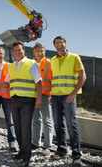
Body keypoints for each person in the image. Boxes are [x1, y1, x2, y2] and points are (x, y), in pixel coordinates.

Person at [3, 41, 42, 167]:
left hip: (28, 100)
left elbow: (38, 83)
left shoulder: (32, 64)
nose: (17, 52)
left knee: (25, 128)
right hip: (14, 100)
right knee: (18, 127)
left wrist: (39, 99)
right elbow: (7, 82)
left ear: (24, 50)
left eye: (19, 50)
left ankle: (27, 156)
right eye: (15, 51)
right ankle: (21, 151)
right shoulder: (12, 66)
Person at [50, 36, 86, 167]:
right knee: (58, 124)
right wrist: (51, 95)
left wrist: (74, 92)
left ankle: (76, 155)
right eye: (57, 43)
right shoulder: (52, 60)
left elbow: (83, 76)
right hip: (55, 96)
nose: (59, 45)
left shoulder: (74, 57)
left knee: (71, 124)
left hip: (69, 96)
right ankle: (62, 150)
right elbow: (53, 79)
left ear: (65, 43)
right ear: (54, 46)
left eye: (61, 42)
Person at [31, 42, 53, 156]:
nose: (41, 53)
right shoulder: (31, 63)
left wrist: (52, 95)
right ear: (34, 52)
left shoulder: (49, 63)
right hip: (34, 95)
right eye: (38, 51)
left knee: (47, 121)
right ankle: (35, 142)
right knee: (36, 120)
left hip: (45, 95)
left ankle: (47, 146)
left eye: (42, 50)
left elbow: (54, 79)